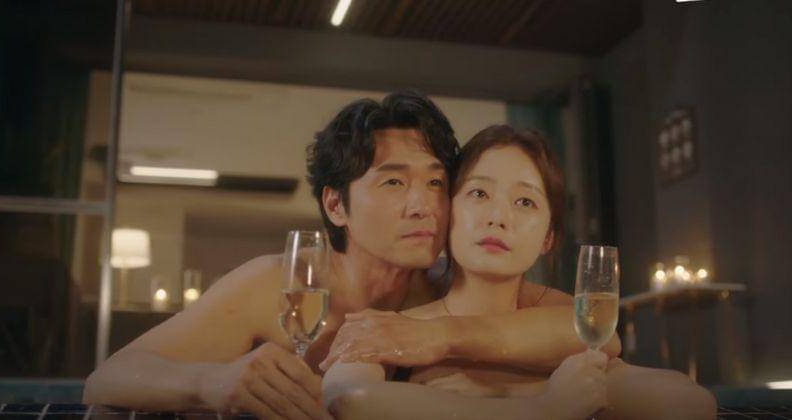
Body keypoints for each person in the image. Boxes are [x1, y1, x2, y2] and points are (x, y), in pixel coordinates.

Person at [83, 92, 619, 420]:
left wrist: (440, 335)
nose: (422, 205)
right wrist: (211, 383)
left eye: (436, 182)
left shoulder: (445, 287)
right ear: (336, 205)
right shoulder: (278, 286)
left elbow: (589, 330)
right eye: (394, 182)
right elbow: (108, 378)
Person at [322, 125, 717, 420]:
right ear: (448, 210)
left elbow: (691, 404)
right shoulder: (400, 329)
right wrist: (542, 407)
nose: (498, 217)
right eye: (479, 193)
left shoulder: (564, 328)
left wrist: (520, 395)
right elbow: (350, 400)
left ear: (548, 237)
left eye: (525, 202)